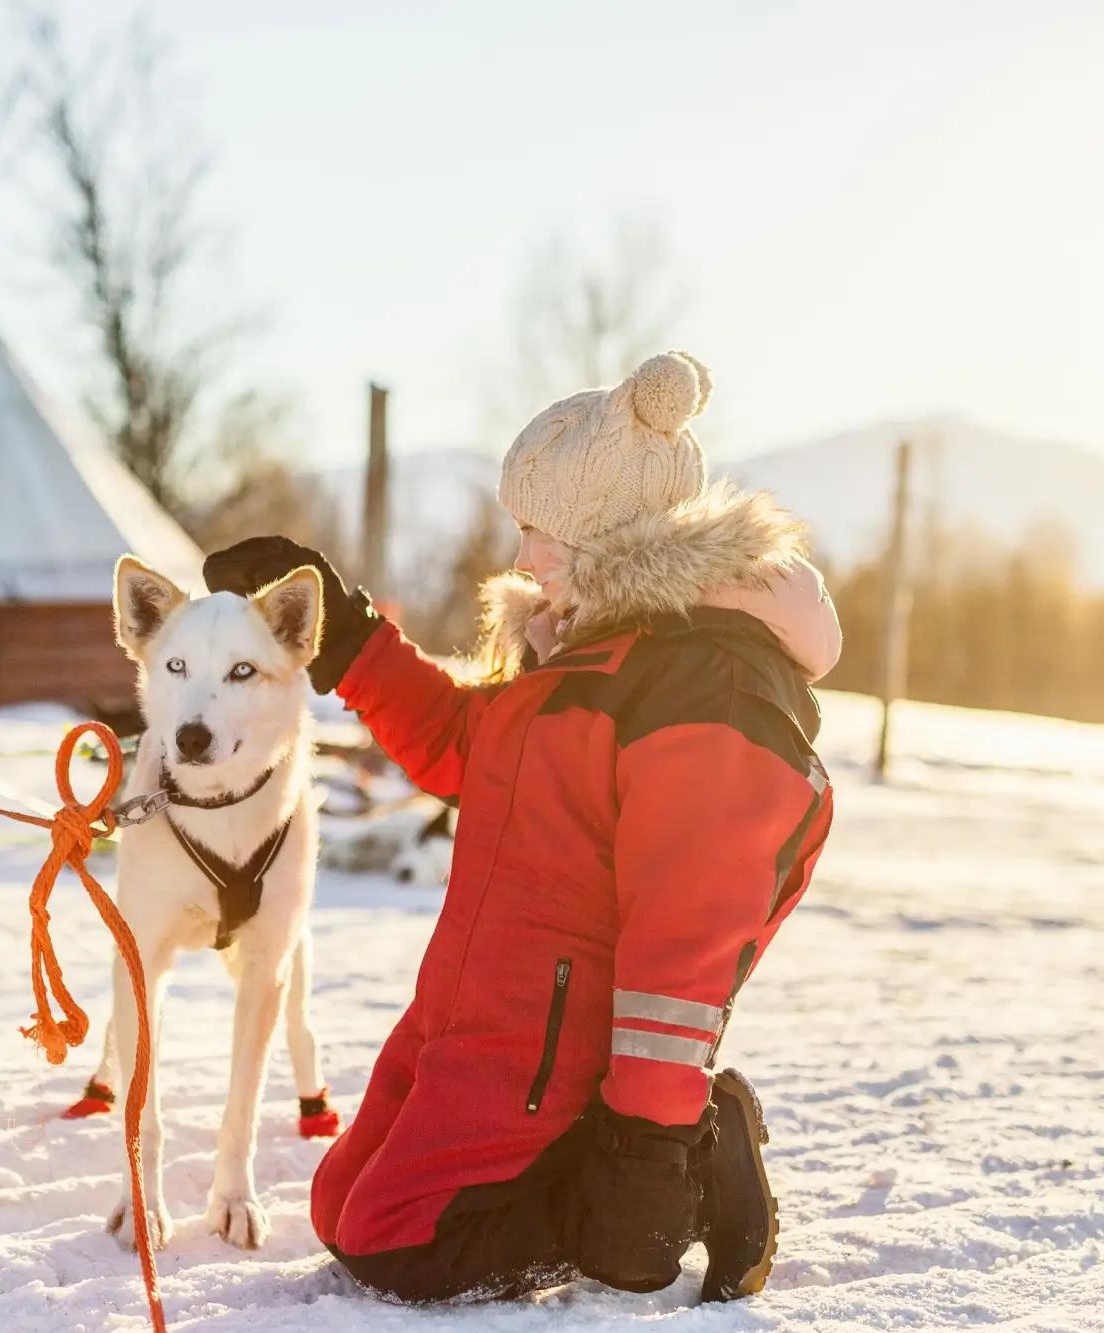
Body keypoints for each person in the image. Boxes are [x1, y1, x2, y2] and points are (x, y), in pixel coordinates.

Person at [202, 350, 838, 1303]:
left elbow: (687, 942)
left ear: (613, 535)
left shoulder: (703, 686)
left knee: (399, 1243)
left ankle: (704, 1165)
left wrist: (648, 1144)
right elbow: (471, 746)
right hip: (479, 1010)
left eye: (543, 531)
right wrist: (347, 632)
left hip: (562, 1049)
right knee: (342, 1205)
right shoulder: (580, 653)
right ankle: (625, 1162)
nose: (525, 556)